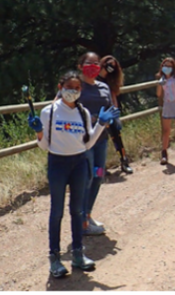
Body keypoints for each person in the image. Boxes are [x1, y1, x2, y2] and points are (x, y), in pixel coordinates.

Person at [27, 71, 120, 278]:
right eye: (69, 87)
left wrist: (101, 124)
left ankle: (78, 255)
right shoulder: (48, 112)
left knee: (78, 211)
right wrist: (39, 132)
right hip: (58, 164)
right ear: (60, 88)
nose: (73, 91)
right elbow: (44, 146)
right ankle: (55, 259)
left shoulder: (83, 113)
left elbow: (87, 143)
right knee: (57, 212)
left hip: (79, 163)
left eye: (77, 88)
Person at [74, 52, 115, 236]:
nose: (93, 67)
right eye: (89, 63)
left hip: (101, 140)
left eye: (96, 63)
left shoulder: (103, 87)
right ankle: (81, 221)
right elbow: (59, 108)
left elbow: (110, 106)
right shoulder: (74, 87)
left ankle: (87, 215)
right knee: (87, 178)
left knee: (98, 175)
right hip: (83, 143)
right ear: (80, 65)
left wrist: (112, 119)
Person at [98, 55, 133, 174]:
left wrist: (116, 113)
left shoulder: (110, 80)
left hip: (109, 112)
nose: (111, 67)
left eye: (113, 66)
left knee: (117, 137)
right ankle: (100, 167)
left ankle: (124, 161)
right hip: (97, 113)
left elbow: (113, 96)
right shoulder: (94, 79)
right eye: (109, 64)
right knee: (99, 140)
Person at [155, 57, 175, 167]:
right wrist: (160, 84)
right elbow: (159, 94)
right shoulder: (162, 80)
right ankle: (164, 153)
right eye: (165, 66)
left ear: (173, 68)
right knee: (165, 130)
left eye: (169, 66)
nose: (167, 68)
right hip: (167, 105)